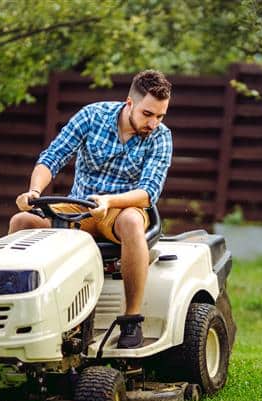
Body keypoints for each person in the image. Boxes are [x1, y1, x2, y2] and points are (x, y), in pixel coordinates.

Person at [9, 69, 173, 349]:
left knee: (133, 222)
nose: (154, 123)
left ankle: (131, 320)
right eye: (148, 114)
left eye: (160, 116)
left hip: (124, 209)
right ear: (130, 103)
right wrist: (34, 192)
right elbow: (52, 157)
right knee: (21, 221)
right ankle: (17, 311)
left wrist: (110, 201)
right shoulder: (92, 116)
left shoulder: (161, 137)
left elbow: (147, 193)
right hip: (80, 207)